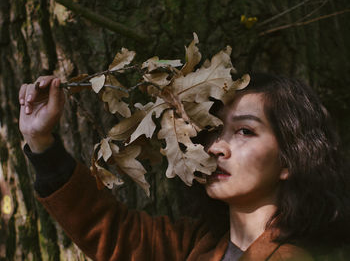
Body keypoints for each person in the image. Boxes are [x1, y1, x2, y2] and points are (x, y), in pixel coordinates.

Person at [18, 73, 349, 260]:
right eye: (214, 131)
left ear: (291, 159)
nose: (216, 146)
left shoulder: (304, 257)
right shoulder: (196, 245)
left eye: (245, 131)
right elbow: (114, 232)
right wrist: (41, 142)